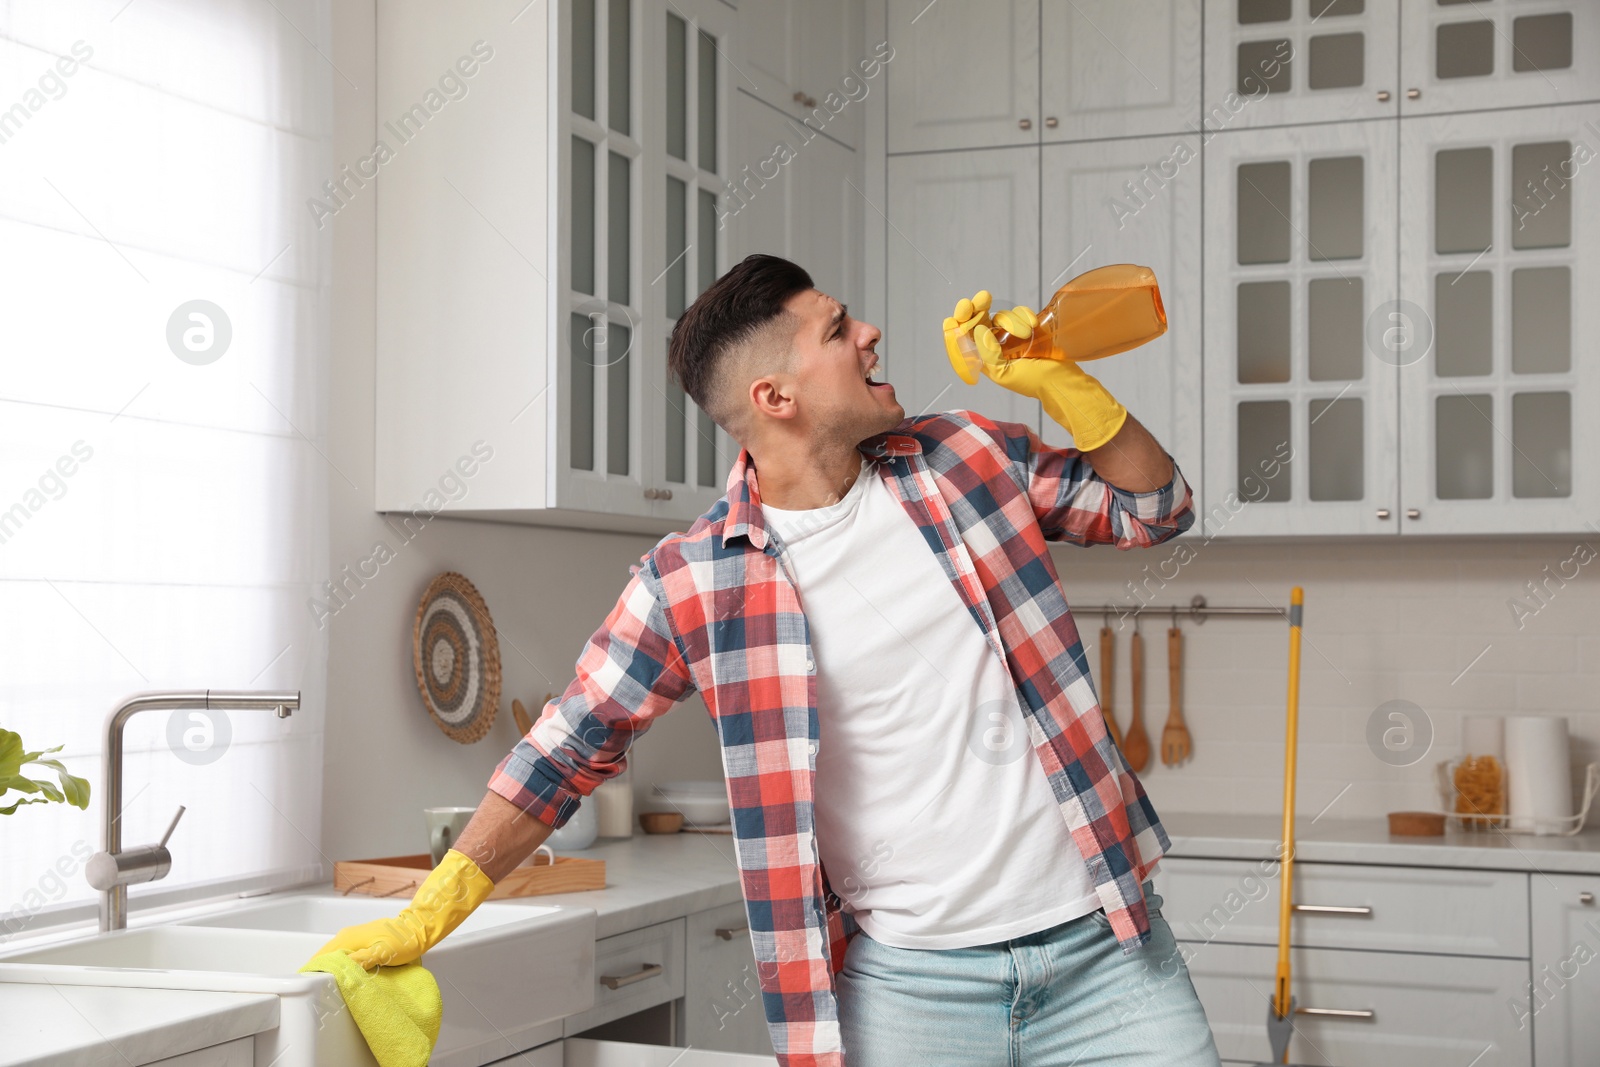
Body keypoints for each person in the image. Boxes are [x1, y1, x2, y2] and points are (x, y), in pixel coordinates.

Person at [314, 254, 1221, 1067]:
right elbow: (561, 752)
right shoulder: (692, 582)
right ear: (775, 398)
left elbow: (1157, 508)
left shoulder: (965, 461)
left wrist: (1064, 383)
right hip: (911, 993)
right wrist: (428, 911)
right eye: (836, 329)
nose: (869, 334)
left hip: (1109, 956)